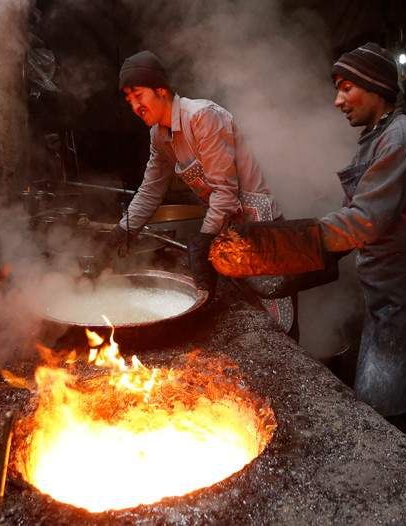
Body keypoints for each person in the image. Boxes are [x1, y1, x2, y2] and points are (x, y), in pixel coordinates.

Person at [110, 50, 296, 334]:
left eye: (138, 95)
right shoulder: (159, 136)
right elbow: (150, 190)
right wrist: (122, 231)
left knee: (277, 314)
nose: (134, 106)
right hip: (228, 228)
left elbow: (225, 191)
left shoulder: (203, 117)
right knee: (249, 314)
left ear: (161, 90)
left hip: (260, 226)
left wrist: (205, 238)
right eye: (128, 99)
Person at [315, 43, 406, 419]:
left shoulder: (403, 139)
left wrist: (300, 240)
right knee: (386, 386)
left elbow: (365, 219)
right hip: (384, 280)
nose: (338, 101)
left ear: (375, 88)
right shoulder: (377, 136)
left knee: (389, 401)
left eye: (346, 88)